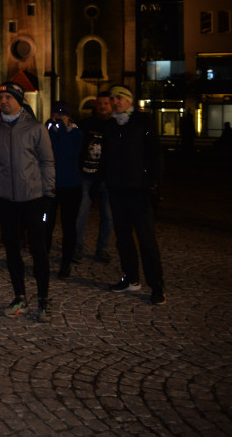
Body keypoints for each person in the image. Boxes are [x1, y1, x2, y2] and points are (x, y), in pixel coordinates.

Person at [0, 81, 55, 321]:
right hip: (6, 201)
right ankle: (20, 297)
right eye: (1, 96)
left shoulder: (35, 128)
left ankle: (43, 300)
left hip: (33, 199)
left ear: (19, 100)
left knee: (39, 251)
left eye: (9, 97)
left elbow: (47, 161)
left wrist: (48, 194)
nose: (3, 101)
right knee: (12, 251)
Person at [102, 86, 166, 304]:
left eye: (119, 98)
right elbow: (107, 156)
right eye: (112, 99)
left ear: (129, 100)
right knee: (123, 239)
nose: (115, 101)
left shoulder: (143, 123)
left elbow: (155, 153)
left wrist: (153, 182)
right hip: (117, 190)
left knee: (146, 240)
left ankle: (156, 286)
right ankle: (131, 279)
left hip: (139, 191)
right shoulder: (110, 125)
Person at [45, 100, 83, 279]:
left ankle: (66, 263)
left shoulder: (75, 132)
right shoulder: (48, 130)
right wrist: (53, 129)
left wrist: (64, 130)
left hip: (70, 186)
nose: (59, 117)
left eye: (63, 114)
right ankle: (42, 259)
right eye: (56, 113)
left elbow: (71, 153)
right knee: (46, 225)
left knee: (69, 226)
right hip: (50, 186)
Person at [76, 92, 114, 262]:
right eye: (99, 103)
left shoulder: (115, 126)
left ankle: (102, 248)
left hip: (107, 179)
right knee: (81, 213)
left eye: (106, 103)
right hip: (86, 176)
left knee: (108, 216)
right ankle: (77, 248)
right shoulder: (85, 124)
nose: (102, 106)